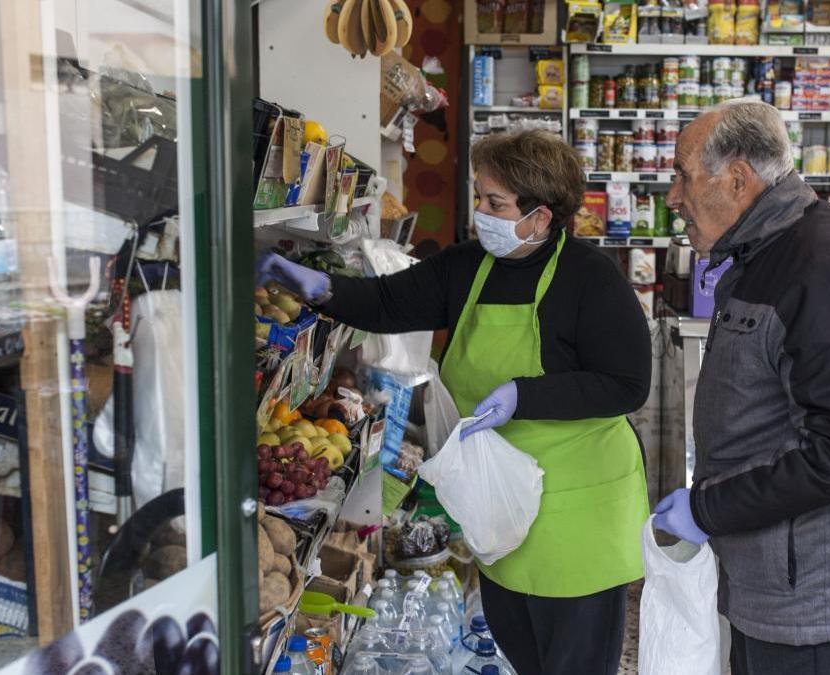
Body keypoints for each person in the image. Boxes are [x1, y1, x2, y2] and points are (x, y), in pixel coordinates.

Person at [257, 130, 651, 675]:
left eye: (495, 203)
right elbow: (390, 304)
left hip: (577, 509)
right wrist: (318, 287)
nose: (479, 213)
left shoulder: (592, 280)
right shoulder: (468, 265)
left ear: (539, 217)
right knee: (522, 647)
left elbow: (627, 382)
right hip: (498, 498)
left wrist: (525, 394)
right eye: (480, 197)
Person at [652, 101, 830, 674]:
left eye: (682, 175)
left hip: (803, 586)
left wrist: (707, 507)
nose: (673, 196)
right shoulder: (768, 249)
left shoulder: (820, 266)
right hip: (767, 566)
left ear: (737, 178)